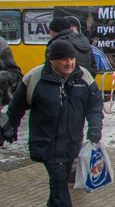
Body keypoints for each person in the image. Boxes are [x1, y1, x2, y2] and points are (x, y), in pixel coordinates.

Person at [0, 40, 103, 206]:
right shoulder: (34, 78)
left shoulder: (83, 77)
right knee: (59, 182)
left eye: (71, 59)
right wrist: (6, 131)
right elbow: (15, 109)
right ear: (52, 60)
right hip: (46, 143)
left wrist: (95, 126)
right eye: (63, 59)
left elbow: (95, 104)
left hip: (72, 143)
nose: (69, 63)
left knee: (58, 186)